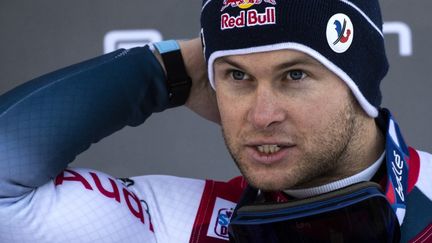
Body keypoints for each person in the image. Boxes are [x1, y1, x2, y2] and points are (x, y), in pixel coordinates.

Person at [0, 0, 431, 242]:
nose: (262, 116)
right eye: (237, 76)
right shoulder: (177, 223)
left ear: (359, 84)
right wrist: (166, 70)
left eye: (295, 75)